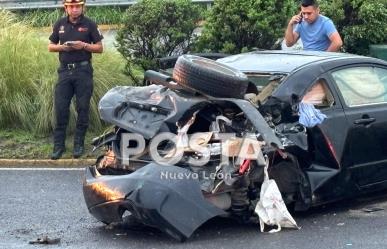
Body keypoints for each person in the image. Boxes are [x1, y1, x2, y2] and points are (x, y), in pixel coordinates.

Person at [48, 0, 103, 160]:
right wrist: (63, 47)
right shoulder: (60, 24)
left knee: (83, 108)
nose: (74, 9)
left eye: (77, 6)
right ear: (66, 8)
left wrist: (83, 45)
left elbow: (99, 48)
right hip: (64, 71)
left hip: (83, 71)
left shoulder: (90, 24)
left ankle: (78, 144)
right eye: (71, 7)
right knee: (61, 108)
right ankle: (59, 146)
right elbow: (51, 46)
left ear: (82, 7)